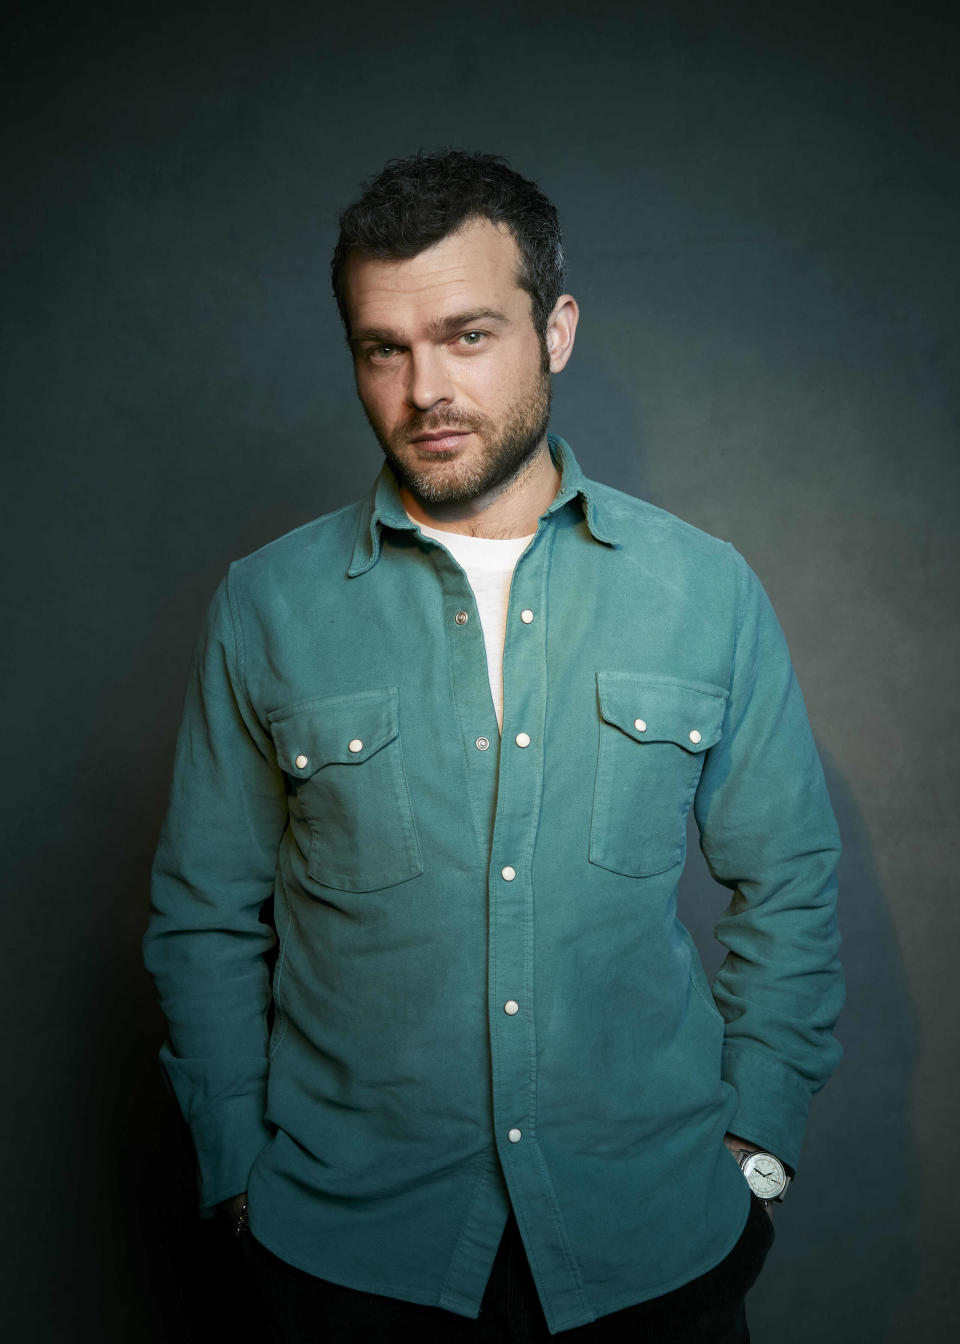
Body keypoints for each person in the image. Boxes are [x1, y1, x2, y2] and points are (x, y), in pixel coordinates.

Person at [144, 149, 843, 1341]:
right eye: (384, 348)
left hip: (655, 1246)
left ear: (556, 330)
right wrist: (237, 1177)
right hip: (349, 1257)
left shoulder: (703, 590)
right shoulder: (268, 605)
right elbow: (204, 915)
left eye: (468, 335)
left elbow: (792, 884)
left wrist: (759, 1148)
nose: (425, 390)